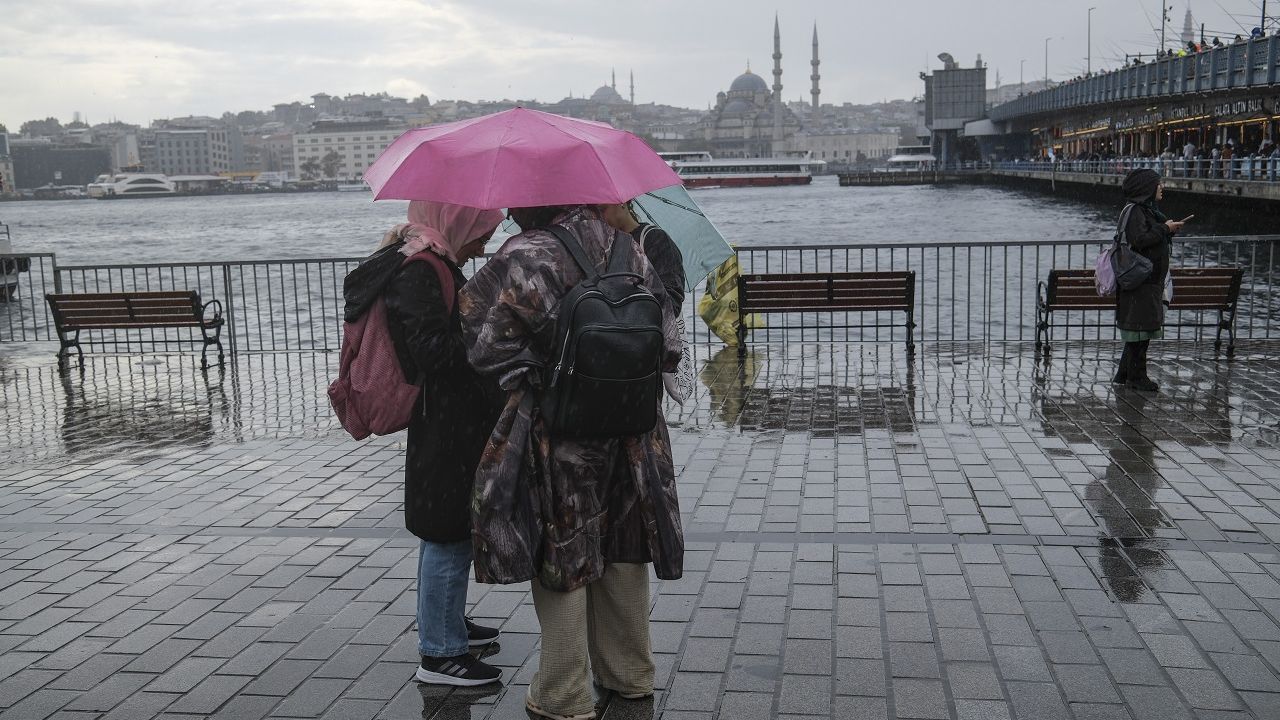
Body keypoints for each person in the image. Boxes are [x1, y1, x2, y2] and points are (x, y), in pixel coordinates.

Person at [459, 204, 683, 720]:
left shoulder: (525, 255)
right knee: (626, 547)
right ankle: (629, 676)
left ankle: (563, 693)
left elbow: (485, 348)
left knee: (564, 550)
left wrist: (542, 366)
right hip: (634, 430)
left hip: (557, 433)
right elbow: (667, 344)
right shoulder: (631, 249)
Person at [373, 201, 507, 686]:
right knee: (446, 535)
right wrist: (489, 329)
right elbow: (432, 349)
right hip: (445, 424)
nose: (484, 244)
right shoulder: (421, 271)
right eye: (481, 233)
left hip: (456, 421)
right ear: (458, 223)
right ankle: (440, 652)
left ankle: (449, 625)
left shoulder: (439, 264)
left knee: (453, 529)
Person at [1114, 169, 1184, 392]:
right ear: (1147, 189)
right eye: (1158, 184)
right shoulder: (1136, 211)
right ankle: (1136, 377)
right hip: (1141, 280)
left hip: (1148, 280)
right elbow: (1140, 239)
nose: (1162, 188)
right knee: (1140, 328)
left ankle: (1126, 373)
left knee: (1141, 328)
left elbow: (1147, 236)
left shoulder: (1145, 211)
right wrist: (1165, 228)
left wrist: (1166, 230)